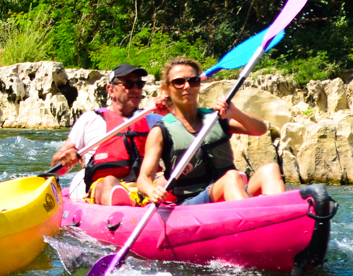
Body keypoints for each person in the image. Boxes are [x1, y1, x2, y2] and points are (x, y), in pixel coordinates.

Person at [137, 56, 285, 205]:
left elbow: (260, 129)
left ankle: (284, 220)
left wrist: (235, 113)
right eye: (179, 82)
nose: (187, 86)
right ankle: (254, 222)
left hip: (231, 191)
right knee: (232, 177)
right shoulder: (160, 131)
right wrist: (152, 191)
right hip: (192, 202)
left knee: (270, 170)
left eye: (193, 81)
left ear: (199, 85)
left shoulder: (214, 118)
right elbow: (143, 179)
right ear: (167, 88)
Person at [50, 63, 167, 206]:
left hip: (147, 185)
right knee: (109, 182)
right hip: (106, 186)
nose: (136, 89)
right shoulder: (90, 119)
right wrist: (65, 159)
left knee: (165, 180)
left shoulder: (155, 120)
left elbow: (187, 143)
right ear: (111, 90)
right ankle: (121, 206)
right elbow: (57, 167)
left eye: (139, 84)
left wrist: (171, 112)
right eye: (128, 84)